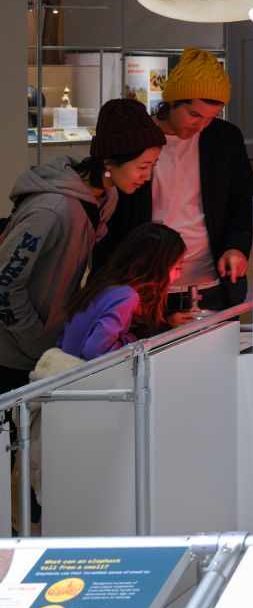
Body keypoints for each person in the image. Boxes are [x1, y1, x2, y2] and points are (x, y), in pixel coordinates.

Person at [0, 100, 165, 390]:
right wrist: (35, 335)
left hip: (50, 349)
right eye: (142, 166)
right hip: (14, 355)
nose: (147, 176)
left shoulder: (107, 197)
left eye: (152, 165)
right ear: (109, 162)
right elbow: (4, 282)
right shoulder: (51, 209)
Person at [96, 50, 253, 313]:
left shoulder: (225, 139)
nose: (202, 125)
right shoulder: (136, 142)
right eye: (194, 114)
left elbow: (245, 200)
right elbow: (112, 217)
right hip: (145, 287)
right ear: (171, 102)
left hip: (212, 283)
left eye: (212, 117)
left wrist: (236, 248)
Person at [55, 224, 186, 361]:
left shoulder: (104, 283)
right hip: (85, 376)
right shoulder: (125, 296)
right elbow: (97, 352)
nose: (178, 275)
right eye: (177, 267)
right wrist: (133, 338)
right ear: (157, 267)